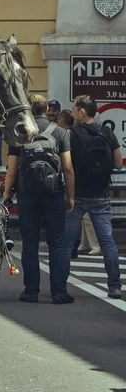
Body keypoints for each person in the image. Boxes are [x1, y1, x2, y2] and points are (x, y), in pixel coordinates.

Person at [3, 93, 75, 304]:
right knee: (58, 244)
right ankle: (59, 292)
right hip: (54, 194)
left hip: (27, 195)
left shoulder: (20, 133)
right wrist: (71, 197)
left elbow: (12, 170)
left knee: (30, 244)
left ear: (28, 108)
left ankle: (31, 291)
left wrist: (7, 194)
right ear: (46, 109)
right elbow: (68, 168)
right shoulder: (61, 133)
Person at [65, 95, 123, 299]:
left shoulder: (71, 134)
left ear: (82, 111)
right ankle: (115, 286)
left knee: (66, 243)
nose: (72, 112)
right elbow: (118, 163)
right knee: (107, 242)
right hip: (101, 195)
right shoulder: (107, 132)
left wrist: (69, 195)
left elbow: (67, 166)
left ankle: (60, 286)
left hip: (78, 196)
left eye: (73, 109)